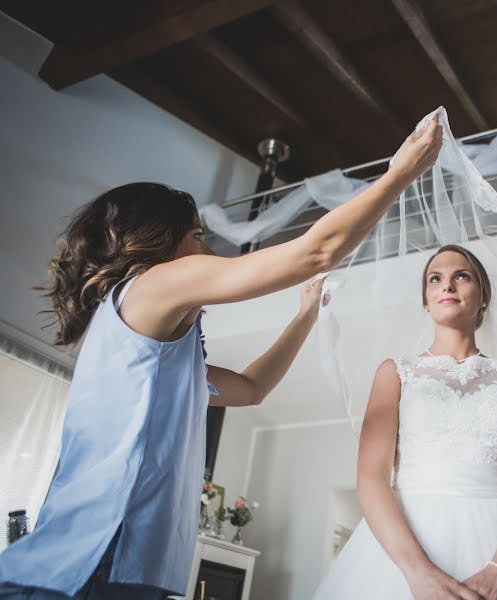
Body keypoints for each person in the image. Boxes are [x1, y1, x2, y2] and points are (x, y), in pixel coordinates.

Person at [0, 119, 443, 599]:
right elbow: (317, 252)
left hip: (130, 568)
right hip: (90, 560)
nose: (208, 248)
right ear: (158, 240)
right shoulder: (151, 284)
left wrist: (304, 317)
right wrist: (400, 172)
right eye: (196, 234)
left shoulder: (155, 354)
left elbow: (252, 389)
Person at [314, 245, 497, 600]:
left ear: (483, 296)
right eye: (435, 279)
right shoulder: (395, 372)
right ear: (426, 300)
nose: (447, 286)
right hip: (406, 544)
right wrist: (417, 572)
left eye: (462, 276)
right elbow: (371, 476)